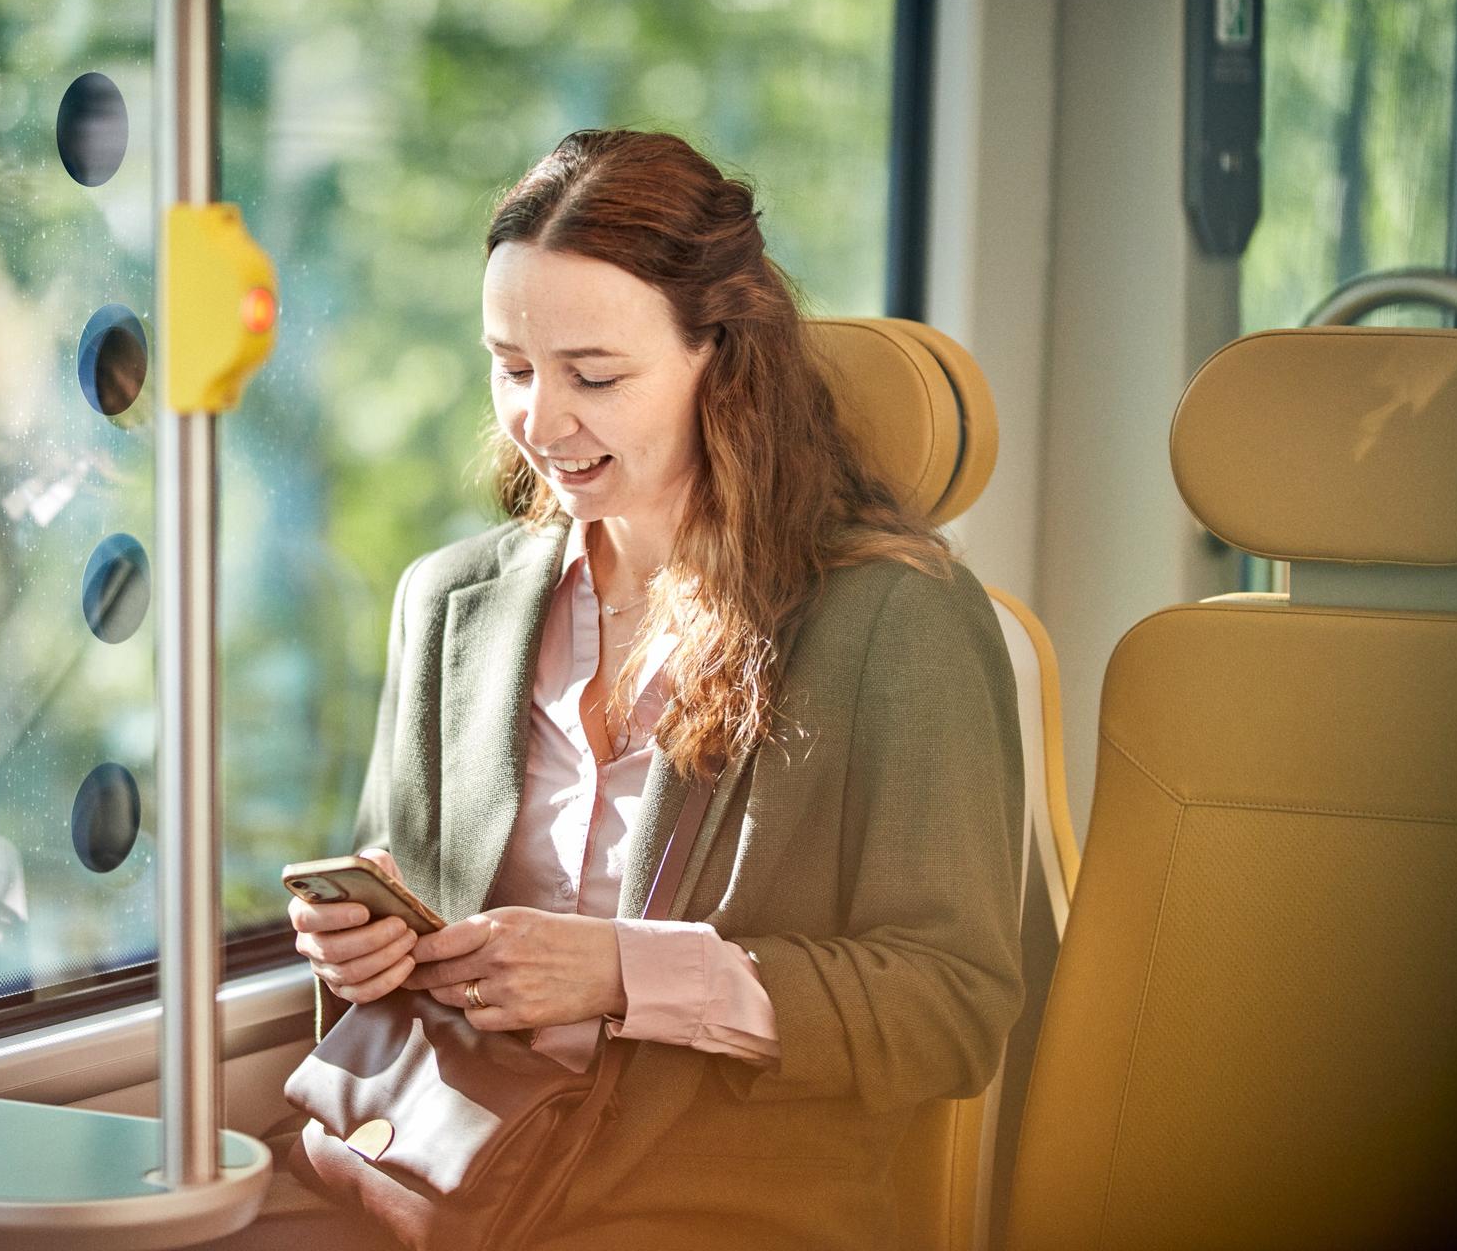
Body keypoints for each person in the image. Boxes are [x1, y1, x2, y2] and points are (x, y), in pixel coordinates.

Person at [277, 128, 1024, 1251]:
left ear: (722, 358)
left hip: (710, 1206)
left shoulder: (895, 620)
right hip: (444, 1168)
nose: (537, 420)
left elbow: (951, 1011)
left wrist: (627, 974)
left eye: (595, 374)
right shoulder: (448, 601)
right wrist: (361, 947)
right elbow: (400, 911)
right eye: (512, 367)